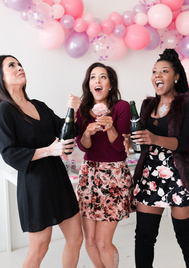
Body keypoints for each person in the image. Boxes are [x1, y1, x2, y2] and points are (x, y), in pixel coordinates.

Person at [0, 55, 83, 268]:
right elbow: (9, 153)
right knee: (40, 247)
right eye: (11, 65)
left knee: (76, 238)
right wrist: (49, 150)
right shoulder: (4, 111)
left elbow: (65, 131)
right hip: (35, 184)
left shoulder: (38, 105)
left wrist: (72, 111)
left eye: (19, 63)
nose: (19, 67)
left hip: (58, 178)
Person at [124, 49, 189, 268]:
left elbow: (185, 142)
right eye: (154, 71)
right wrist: (132, 143)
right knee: (143, 237)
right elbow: (142, 144)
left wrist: (153, 137)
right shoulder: (147, 105)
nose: (157, 75)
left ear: (176, 76)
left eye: (164, 71)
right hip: (150, 176)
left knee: (185, 236)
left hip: (181, 176)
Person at [75, 62, 134, 268]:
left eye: (103, 77)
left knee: (102, 242)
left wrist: (109, 127)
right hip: (89, 175)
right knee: (89, 241)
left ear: (110, 84)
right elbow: (84, 148)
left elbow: (120, 148)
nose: (97, 81)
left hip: (114, 176)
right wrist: (88, 134)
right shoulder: (82, 111)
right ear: (89, 84)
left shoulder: (121, 107)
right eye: (93, 77)